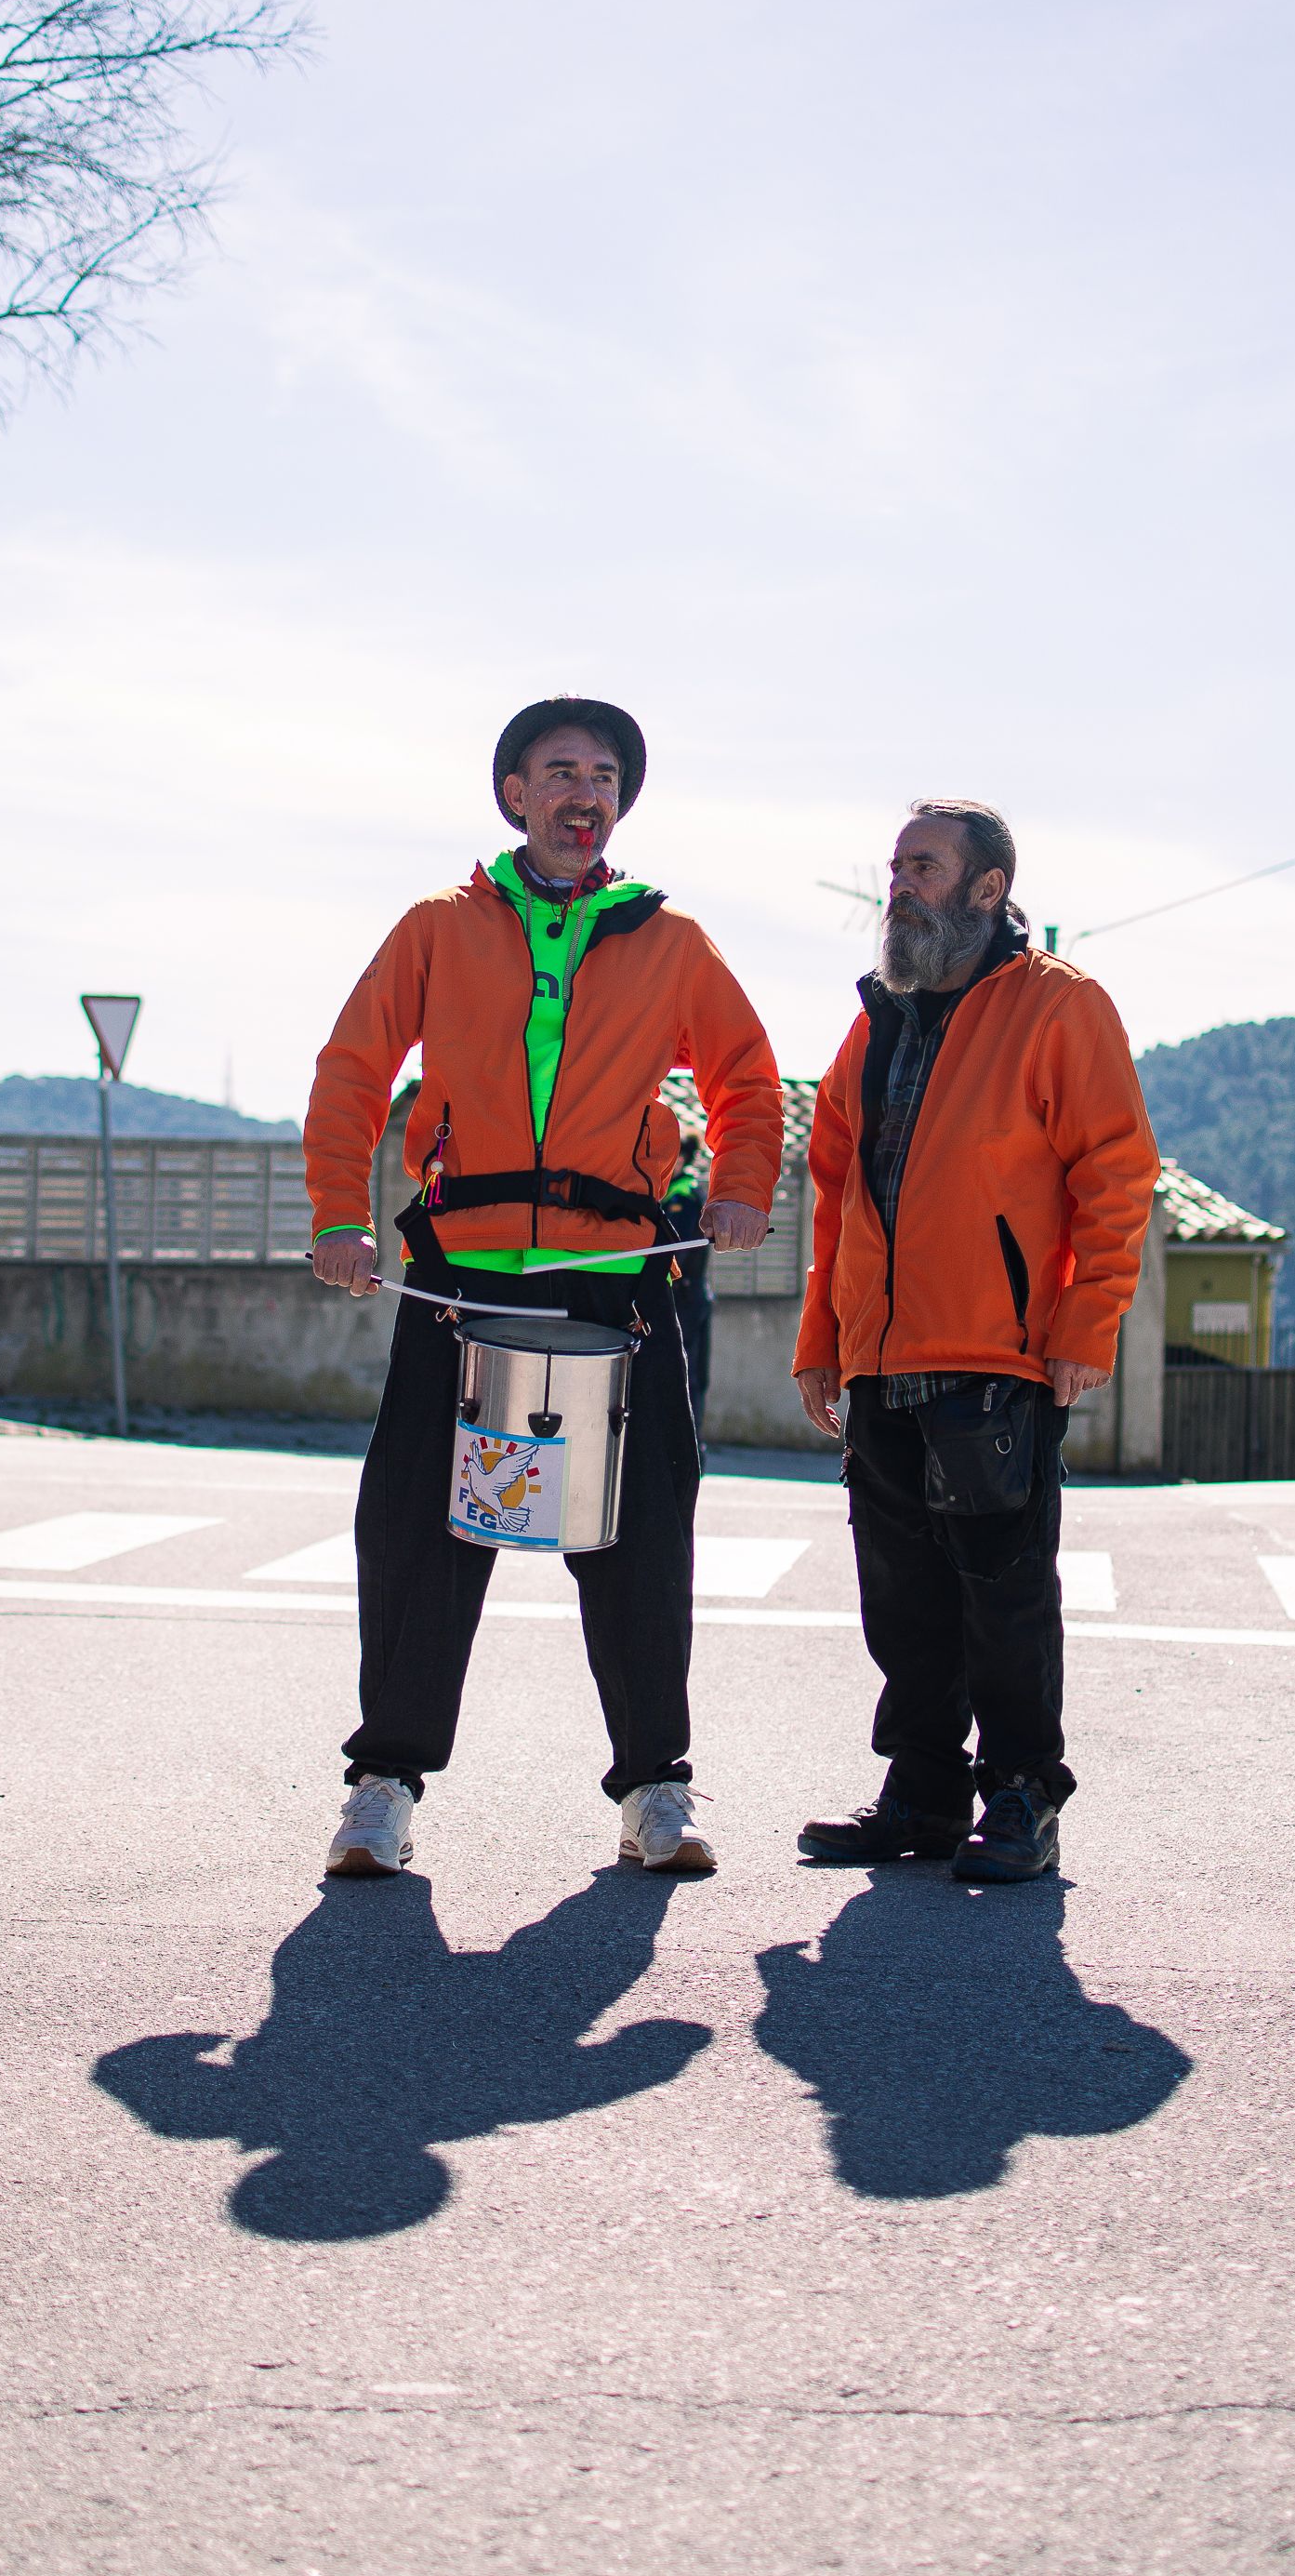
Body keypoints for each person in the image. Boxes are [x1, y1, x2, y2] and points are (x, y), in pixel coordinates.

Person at [305, 697, 784, 1879]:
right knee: (418, 1528)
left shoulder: (670, 940)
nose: (585, 792)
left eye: (605, 774)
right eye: (559, 770)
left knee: (635, 1531)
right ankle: (384, 1786)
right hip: (457, 1275)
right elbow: (353, 1069)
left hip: (614, 1278)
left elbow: (747, 1077)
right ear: (512, 793)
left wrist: (740, 1189)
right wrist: (335, 1216)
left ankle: (654, 1791)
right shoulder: (437, 925)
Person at [792, 799, 1157, 1882]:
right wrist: (823, 1338)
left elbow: (1114, 1173)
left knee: (1001, 1595)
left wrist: (1084, 1323)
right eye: (895, 868)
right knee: (898, 1595)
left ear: (986, 889)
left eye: (923, 867)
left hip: (996, 1353)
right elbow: (834, 1195)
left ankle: (1020, 1797)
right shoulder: (875, 1019)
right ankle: (921, 1794)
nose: (897, 886)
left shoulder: (1058, 1007)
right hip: (880, 1361)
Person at [664, 1133, 713, 1441]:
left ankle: (690, 1447)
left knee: (687, 1375)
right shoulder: (675, 1193)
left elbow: (675, 1252)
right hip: (689, 1296)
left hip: (686, 1297)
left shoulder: (684, 1198)